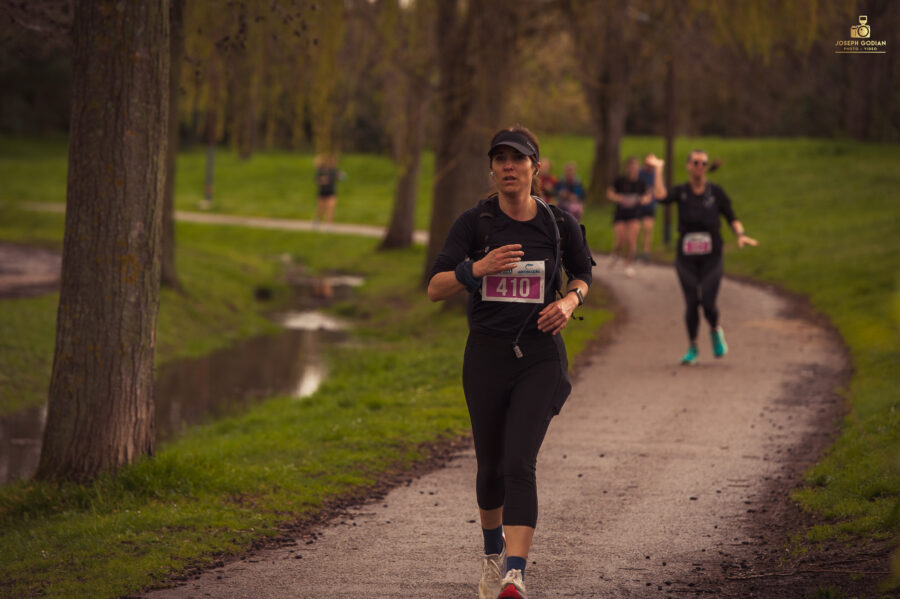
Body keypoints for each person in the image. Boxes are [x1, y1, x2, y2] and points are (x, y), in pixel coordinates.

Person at [427, 126, 593, 599]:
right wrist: (474, 269)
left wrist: (569, 302)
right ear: (492, 169)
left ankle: (514, 574)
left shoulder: (558, 225)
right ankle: (490, 556)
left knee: (520, 461)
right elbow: (434, 288)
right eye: (500, 159)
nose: (508, 167)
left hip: (539, 357)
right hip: (485, 355)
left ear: (535, 168)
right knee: (491, 467)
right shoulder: (474, 224)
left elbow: (582, 273)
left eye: (518, 160)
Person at [656, 149, 758, 365]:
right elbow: (661, 198)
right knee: (692, 302)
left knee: (708, 302)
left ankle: (714, 330)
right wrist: (658, 170)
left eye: (703, 163)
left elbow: (732, 217)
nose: (700, 166)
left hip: (712, 257)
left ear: (707, 166)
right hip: (686, 259)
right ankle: (693, 347)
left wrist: (740, 235)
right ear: (688, 166)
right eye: (696, 162)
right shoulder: (682, 192)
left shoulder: (716, 193)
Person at [606, 156, 652, 277]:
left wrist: (644, 200)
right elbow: (610, 193)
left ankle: (628, 264)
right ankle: (616, 253)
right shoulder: (620, 181)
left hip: (635, 214)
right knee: (620, 240)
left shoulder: (640, 183)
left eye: (636, 168)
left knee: (632, 240)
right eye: (631, 168)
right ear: (627, 168)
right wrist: (617, 198)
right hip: (621, 214)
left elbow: (648, 196)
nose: (633, 170)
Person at [636, 154, 659, 261]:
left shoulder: (656, 175)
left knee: (648, 229)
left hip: (650, 206)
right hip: (639, 205)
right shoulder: (639, 173)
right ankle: (635, 250)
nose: (649, 167)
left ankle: (646, 252)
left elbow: (658, 189)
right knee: (637, 229)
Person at [314, 154, 342, 224]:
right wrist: (322, 180)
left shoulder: (335, 171)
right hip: (323, 192)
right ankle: (317, 220)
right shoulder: (323, 170)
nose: (333, 163)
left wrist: (341, 175)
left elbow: (342, 178)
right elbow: (317, 179)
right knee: (321, 208)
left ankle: (329, 222)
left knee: (331, 208)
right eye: (332, 161)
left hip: (331, 191)